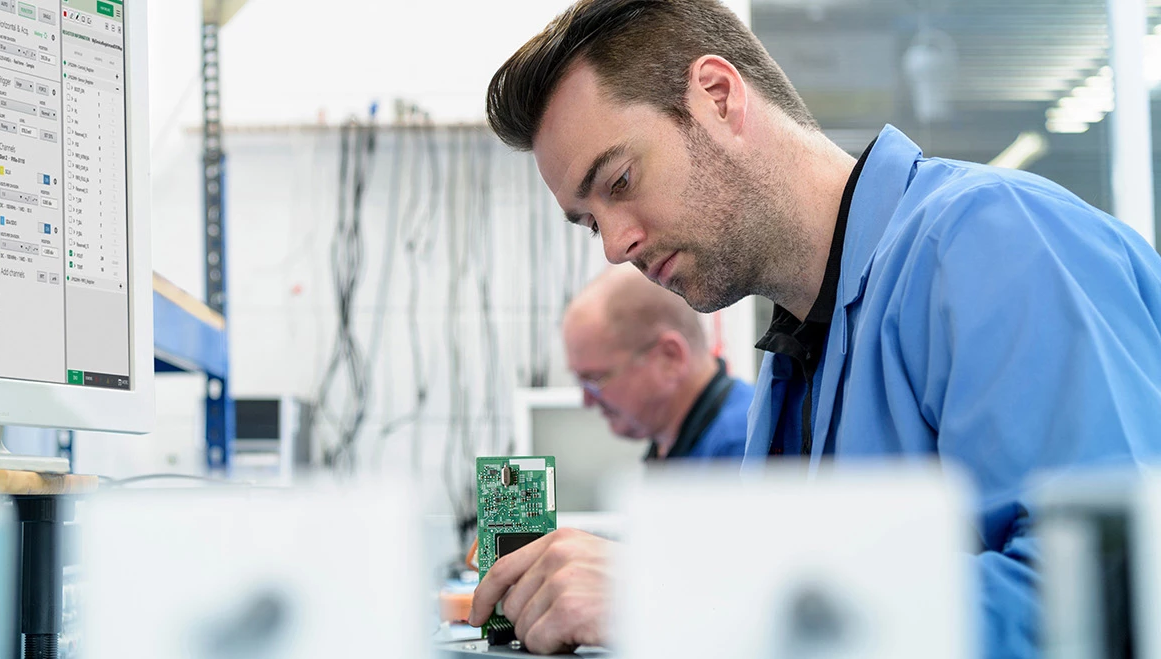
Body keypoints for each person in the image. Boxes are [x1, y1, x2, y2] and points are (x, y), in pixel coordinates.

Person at [468, 0, 1161, 656]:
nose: (614, 245)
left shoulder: (993, 238)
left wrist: (676, 595)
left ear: (717, 96)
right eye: (590, 221)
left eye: (618, 181)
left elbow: (1106, 608)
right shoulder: (796, 358)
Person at [562, 266, 752, 461]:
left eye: (596, 378)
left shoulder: (744, 449)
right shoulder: (673, 444)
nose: (587, 400)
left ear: (669, 358)